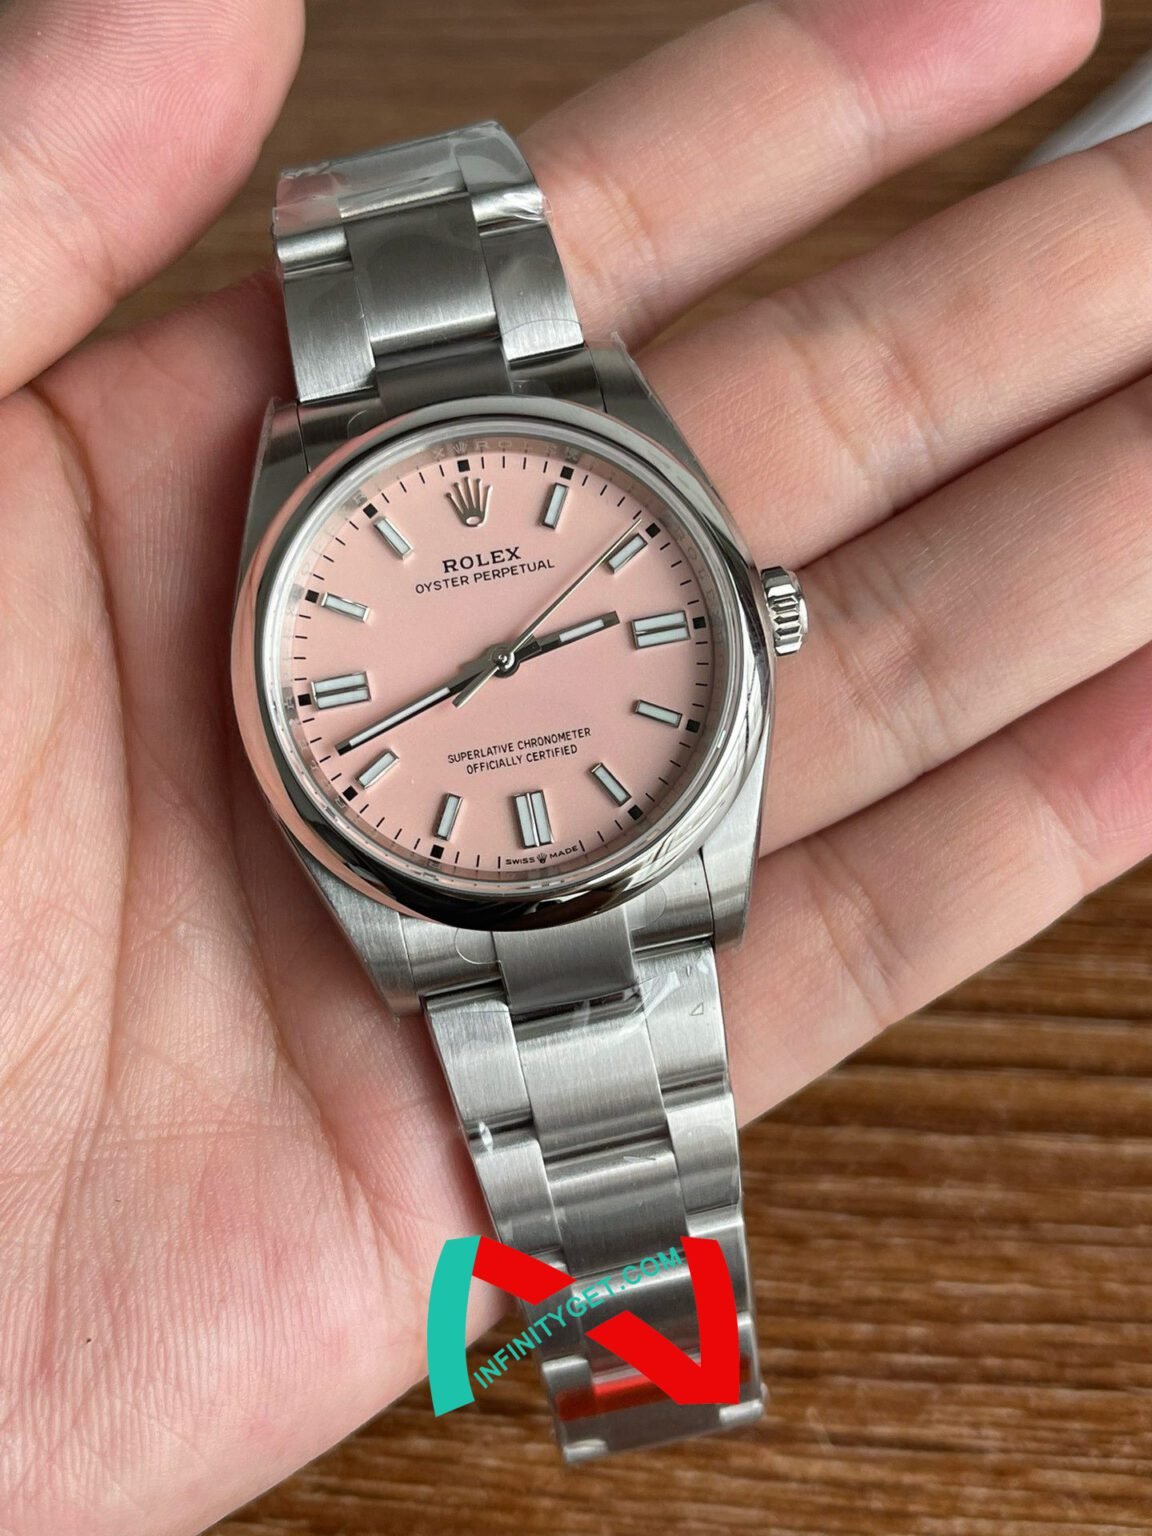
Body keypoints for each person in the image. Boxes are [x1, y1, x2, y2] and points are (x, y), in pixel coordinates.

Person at [2, 0, 1148, 1530]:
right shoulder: (321, 522)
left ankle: (647, 1373)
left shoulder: (603, 487)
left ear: (752, 613)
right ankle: (644, 1372)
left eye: (507, 659)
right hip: (434, 877)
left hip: (583, 837)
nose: (492, 673)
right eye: (485, 670)